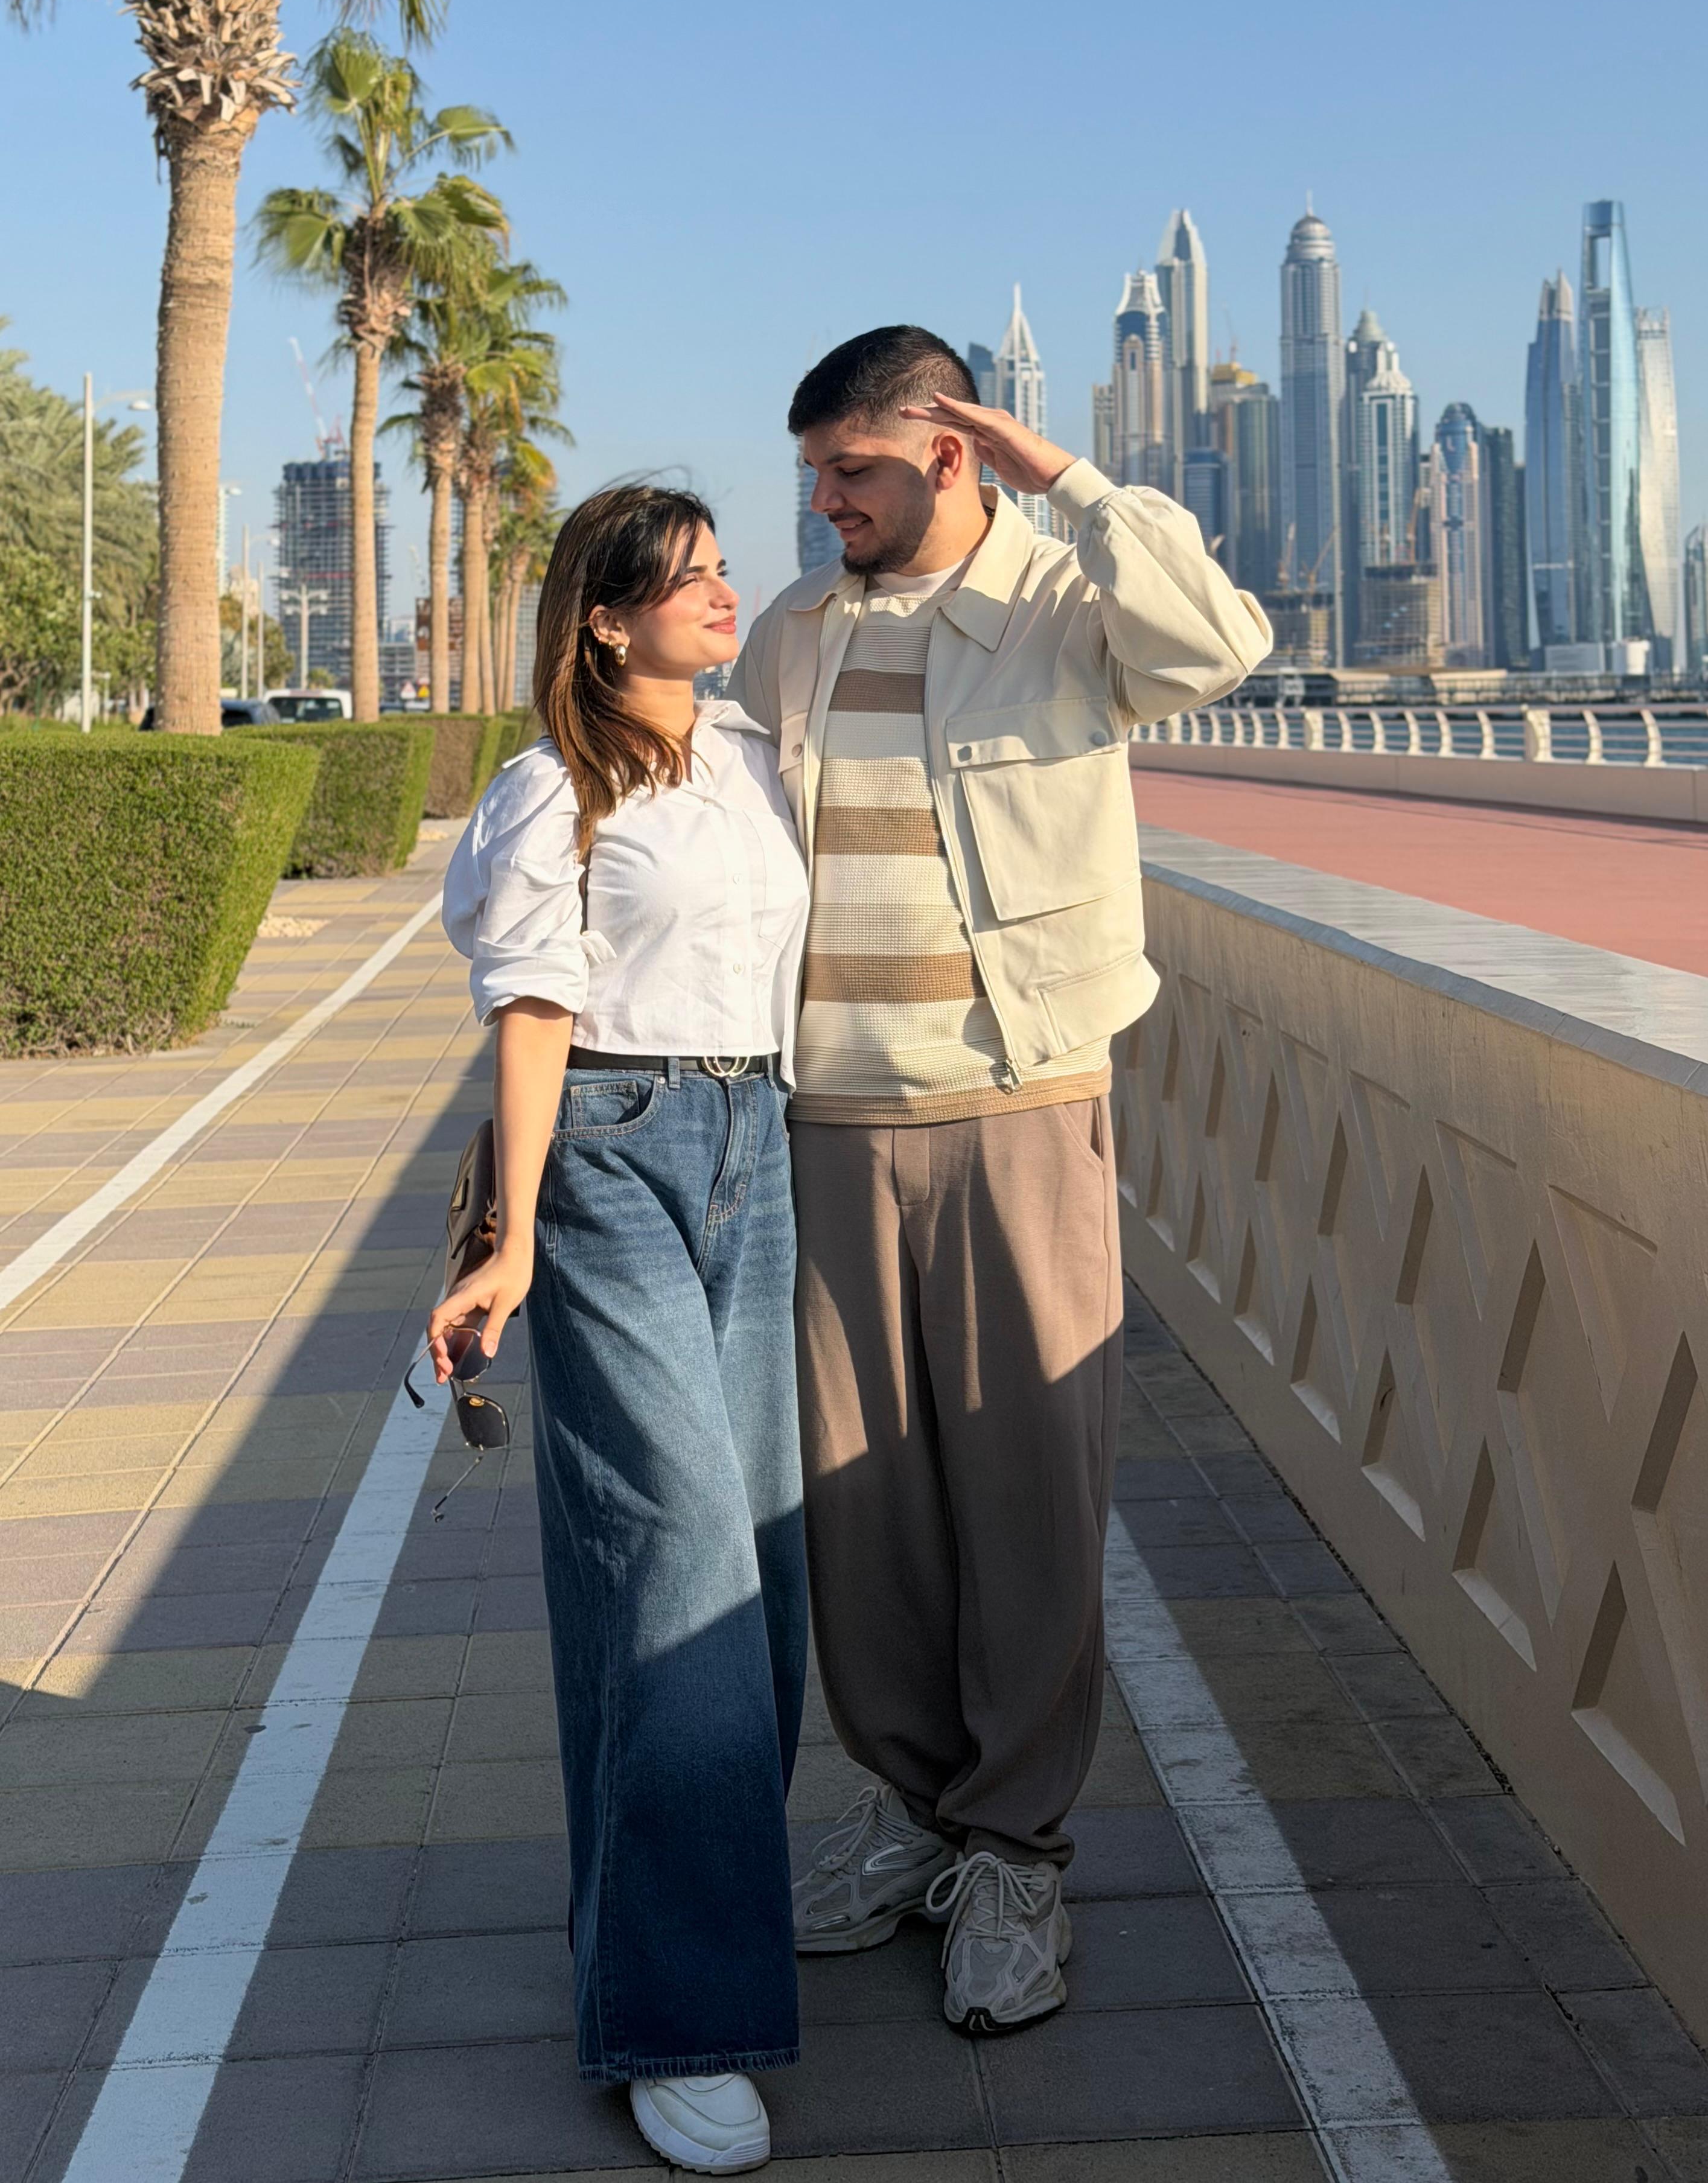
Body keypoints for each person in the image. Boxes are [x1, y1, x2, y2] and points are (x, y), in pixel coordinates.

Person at [730, 327, 1272, 2035]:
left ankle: (1018, 1854)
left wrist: (1079, 484)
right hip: (825, 1121)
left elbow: (1223, 646)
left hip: (1018, 1102)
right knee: (863, 1507)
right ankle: (909, 1816)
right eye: (815, 473)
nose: (826, 504)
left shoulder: (1060, 605)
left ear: (952, 453)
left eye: (856, 474)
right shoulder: (793, 639)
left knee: (1028, 1492)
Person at [430, 485, 811, 2172]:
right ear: (603, 616)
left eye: (727, 569)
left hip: (764, 1140)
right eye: (687, 579)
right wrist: (509, 1243)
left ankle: (670, 1936)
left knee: (766, 1573)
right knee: (677, 1579)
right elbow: (533, 1017)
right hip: (609, 1150)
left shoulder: (744, 759)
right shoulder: (549, 797)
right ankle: (676, 2015)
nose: (723, 596)